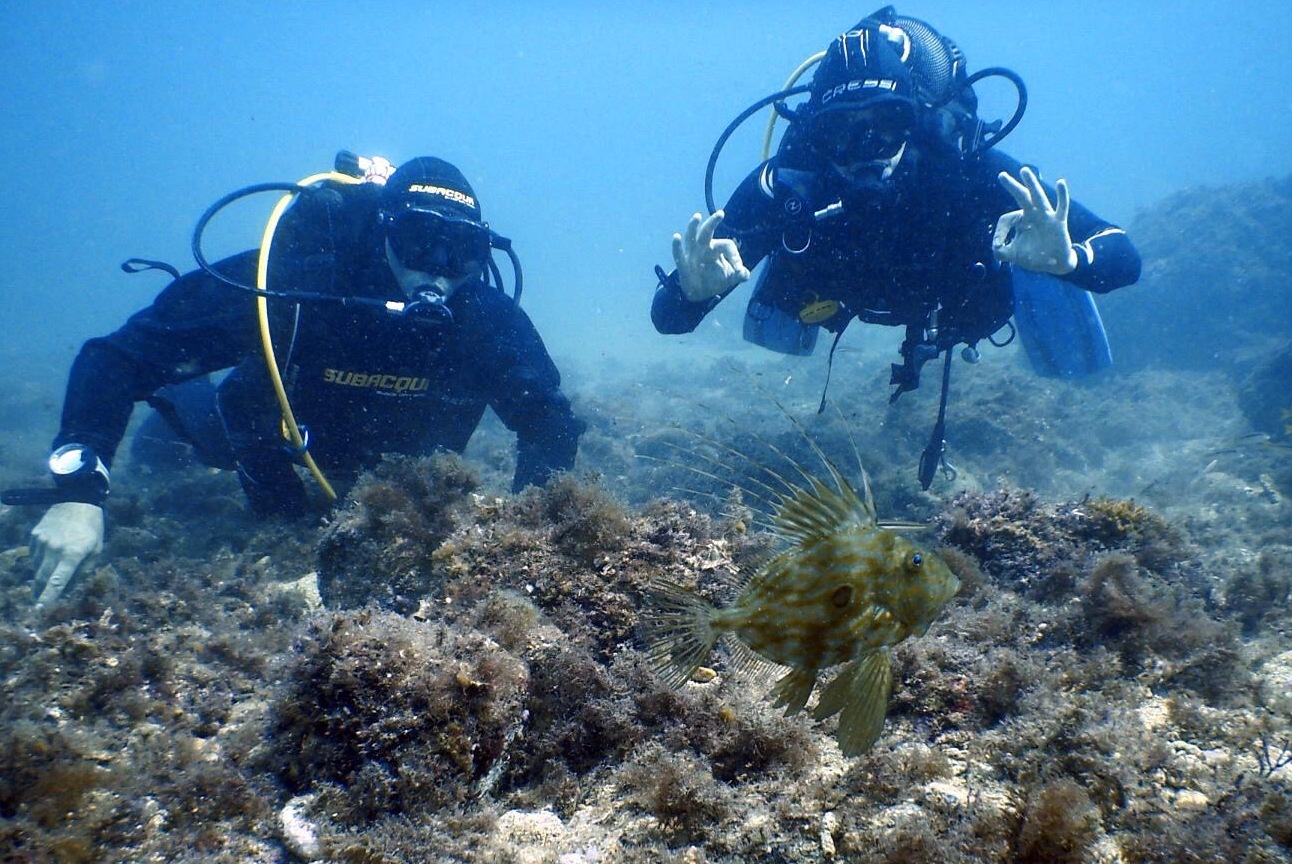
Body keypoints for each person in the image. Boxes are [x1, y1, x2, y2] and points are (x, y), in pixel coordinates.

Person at [10, 154, 584, 606]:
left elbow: (550, 421)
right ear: (383, 231)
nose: (434, 267)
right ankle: (177, 411)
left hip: (393, 472)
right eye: (416, 240)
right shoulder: (298, 281)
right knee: (199, 424)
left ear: (479, 253)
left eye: (458, 251)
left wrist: (527, 541)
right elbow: (118, 357)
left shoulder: (484, 316)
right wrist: (80, 493)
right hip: (265, 438)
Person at [652, 7, 1141, 484]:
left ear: (916, 121)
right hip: (840, 297)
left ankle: (1038, 273)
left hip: (953, 300)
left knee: (1035, 248)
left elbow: (1123, 255)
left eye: (886, 122)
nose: (866, 146)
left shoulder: (970, 169)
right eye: (840, 130)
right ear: (814, 135)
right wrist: (691, 295)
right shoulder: (788, 184)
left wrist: (1073, 261)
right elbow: (667, 318)